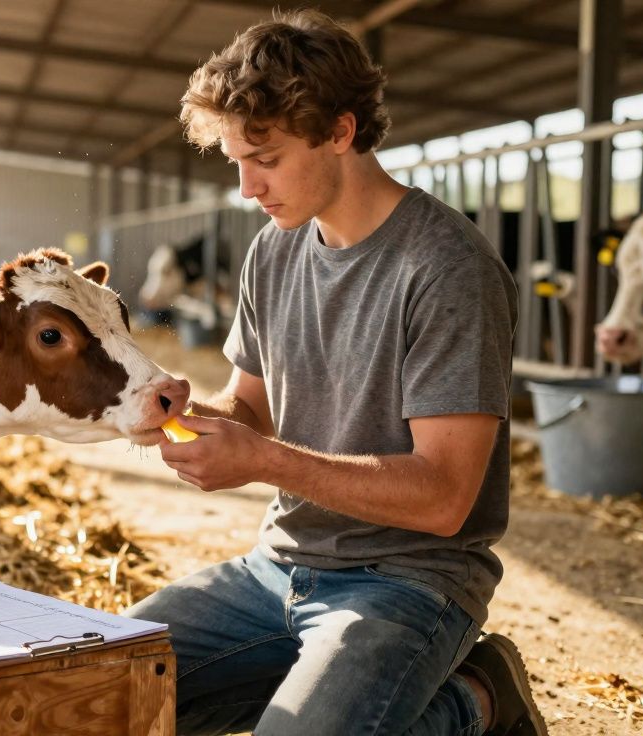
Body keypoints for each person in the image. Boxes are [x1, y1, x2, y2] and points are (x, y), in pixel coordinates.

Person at [126, 9, 546, 736]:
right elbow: (251, 410)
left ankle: (477, 699)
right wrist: (190, 414)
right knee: (95, 686)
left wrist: (261, 460)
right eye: (235, 161)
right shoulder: (272, 250)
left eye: (267, 158)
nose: (248, 187)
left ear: (342, 132)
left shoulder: (447, 269)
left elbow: (445, 498)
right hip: (274, 568)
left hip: (408, 583)